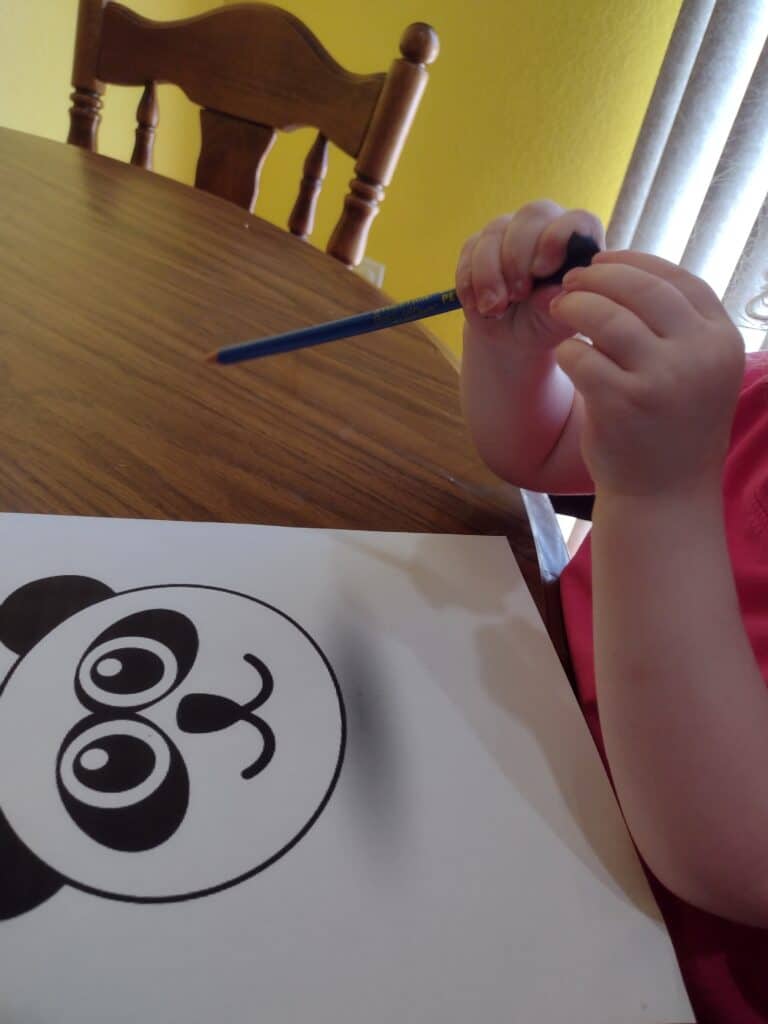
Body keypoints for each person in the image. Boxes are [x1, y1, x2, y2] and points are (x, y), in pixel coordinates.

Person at [456, 200, 768, 1023]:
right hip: (507, 744)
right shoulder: (755, 392)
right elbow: (546, 447)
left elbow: (737, 861)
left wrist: (661, 494)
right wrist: (516, 349)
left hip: (636, 956)